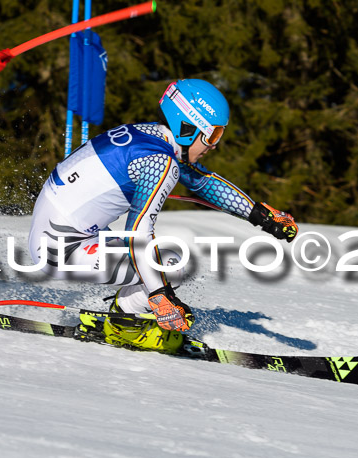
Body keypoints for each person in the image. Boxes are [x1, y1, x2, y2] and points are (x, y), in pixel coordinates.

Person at [28, 79, 298, 354]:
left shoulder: (149, 136)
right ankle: (123, 326)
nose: (214, 145)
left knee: (160, 263)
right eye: (213, 135)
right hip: (60, 248)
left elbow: (202, 182)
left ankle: (128, 311)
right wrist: (160, 296)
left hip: (61, 231)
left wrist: (260, 215)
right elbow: (138, 232)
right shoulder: (161, 163)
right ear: (187, 127)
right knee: (170, 265)